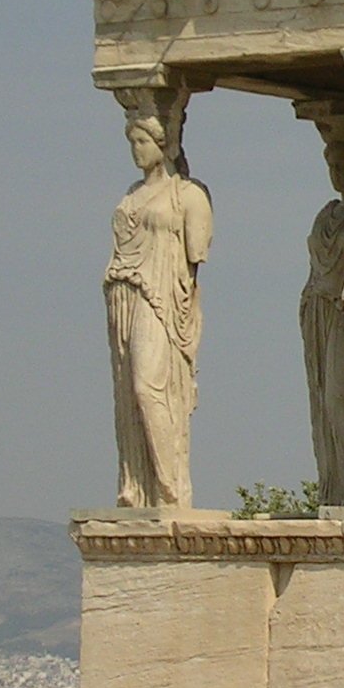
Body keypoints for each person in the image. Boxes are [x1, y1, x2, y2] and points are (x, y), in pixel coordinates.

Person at [104, 112, 212, 508]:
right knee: (127, 394)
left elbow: (196, 252)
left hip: (162, 297)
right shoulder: (131, 194)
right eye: (132, 142)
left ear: (165, 144)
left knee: (148, 387)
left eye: (143, 142)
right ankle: (138, 486)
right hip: (124, 295)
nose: (136, 150)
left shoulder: (188, 195)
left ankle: (171, 488)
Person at [300, 138, 344, 507]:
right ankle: (339, 483)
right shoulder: (327, 213)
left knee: (340, 398)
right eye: (332, 165)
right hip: (318, 310)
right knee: (325, 401)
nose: (337, 173)